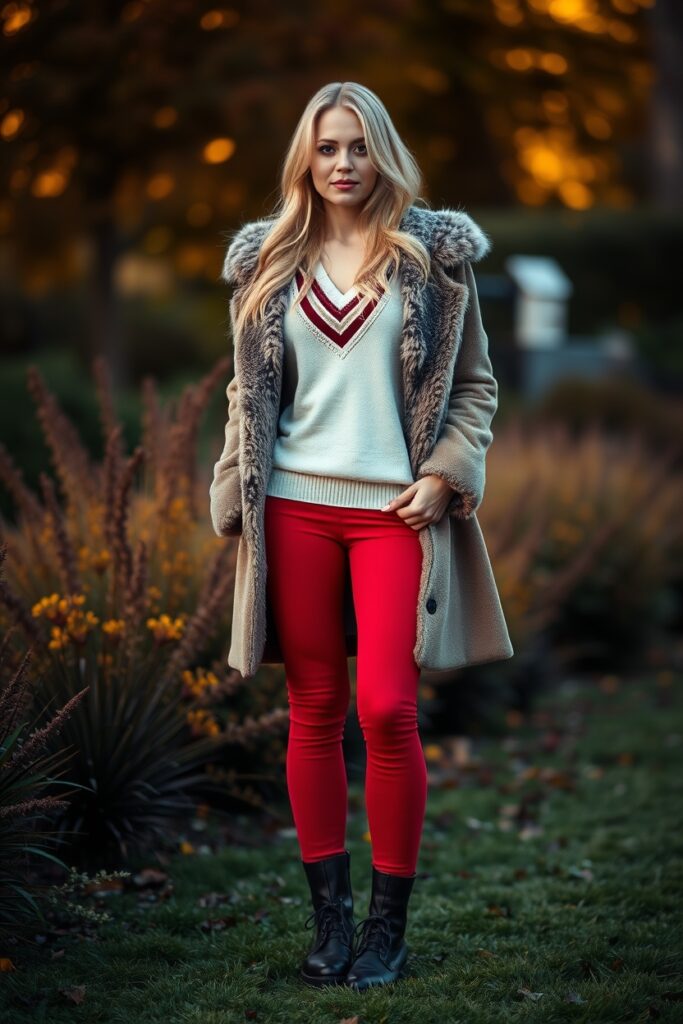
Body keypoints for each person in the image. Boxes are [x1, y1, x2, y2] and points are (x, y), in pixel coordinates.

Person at [210, 81, 513, 992]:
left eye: (357, 147)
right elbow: (246, 395)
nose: (343, 164)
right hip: (293, 509)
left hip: (394, 515)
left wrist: (445, 473)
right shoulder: (267, 264)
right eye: (327, 147)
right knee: (312, 710)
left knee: (384, 708)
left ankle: (388, 928)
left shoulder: (433, 261)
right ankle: (330, 927)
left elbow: (474, 389)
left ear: (382, 153)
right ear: (306, 156)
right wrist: (232, 480)